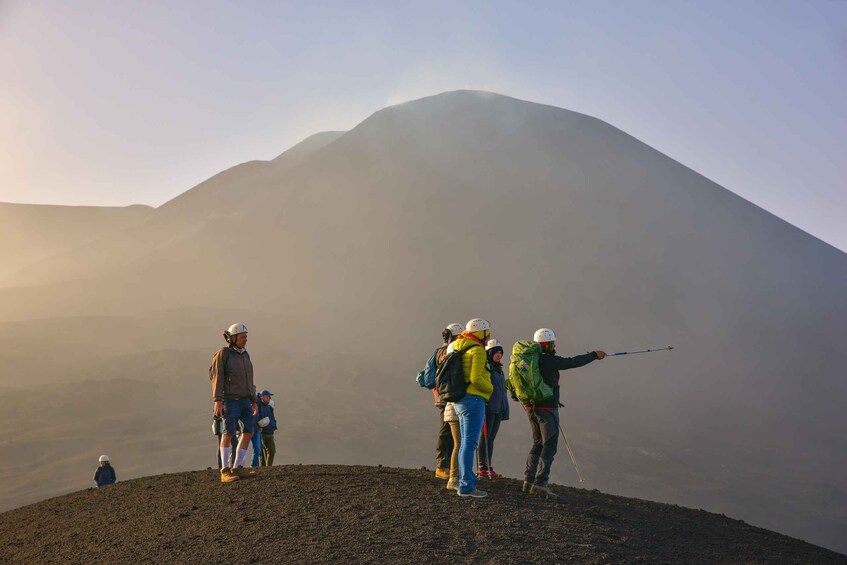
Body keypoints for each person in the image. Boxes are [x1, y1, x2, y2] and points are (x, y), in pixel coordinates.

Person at [522, 328, 605, 498]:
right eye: (552, 342)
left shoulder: (530, 359)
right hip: (547, 408)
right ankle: (540, 483)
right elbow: (571, 362)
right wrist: (594, 355)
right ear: (546, 344)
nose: (554, 345)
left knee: (537, 442)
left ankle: (528, 480)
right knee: (549, 444)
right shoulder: (548, 360)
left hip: (531, 407)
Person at [210, 322, 259, 483]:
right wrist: (218, 400)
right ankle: (225, 470)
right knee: (228, 433)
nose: (246, 339)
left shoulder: (245, 355)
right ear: (233, 338)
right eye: (243, 337)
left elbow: (249, 379)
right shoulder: (224, 354)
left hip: (245, 399)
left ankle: (237, 467)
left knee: (248, 432)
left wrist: (253, 399)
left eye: (246, 336)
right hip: (230, 400)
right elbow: (218, 378)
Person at [452, 318, 494, 498]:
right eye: (487, 333)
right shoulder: (477, 350)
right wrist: (490, 389)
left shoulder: (458, 346)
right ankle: (467, 486)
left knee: (464, 444)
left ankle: (464, 482)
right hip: (473, 400)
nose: (489, 336)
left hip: (459, 400)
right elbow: (476, 378)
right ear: (481, 333)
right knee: (470, 444)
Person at [418, 323, 463, 480]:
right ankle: (443, 466)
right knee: (447, 432)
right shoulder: (448, 353)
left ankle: (448, 466)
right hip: (447, 396)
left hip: (442, 396)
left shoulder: (439, 352)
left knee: (449, 432)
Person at [478, 339, 509, 479]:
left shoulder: (498, 369)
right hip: (489, 407)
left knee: (490, 438)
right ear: (489, 353)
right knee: (485, 437)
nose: (499, 355)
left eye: (500, 352)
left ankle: (488, 465)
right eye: (496, 352)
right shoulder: (487, 367)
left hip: (497, 408)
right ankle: (482, 467)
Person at [256, 389, 277, 466]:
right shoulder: (258, 405)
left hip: (270, 433)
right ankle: (261, 468)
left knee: (272, 451)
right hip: (262, 433)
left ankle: (268, 468)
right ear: (263, 397)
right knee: (260, 453)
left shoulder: (269, 407)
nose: (270, 398)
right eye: (268, 397)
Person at [250, 392, 264, 468]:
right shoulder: (244, 405)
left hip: (255, 430)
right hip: (246, 430)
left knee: (257, 450)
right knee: (242, 449)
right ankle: (237, 466)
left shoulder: (257, 406)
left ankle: (253, 466)